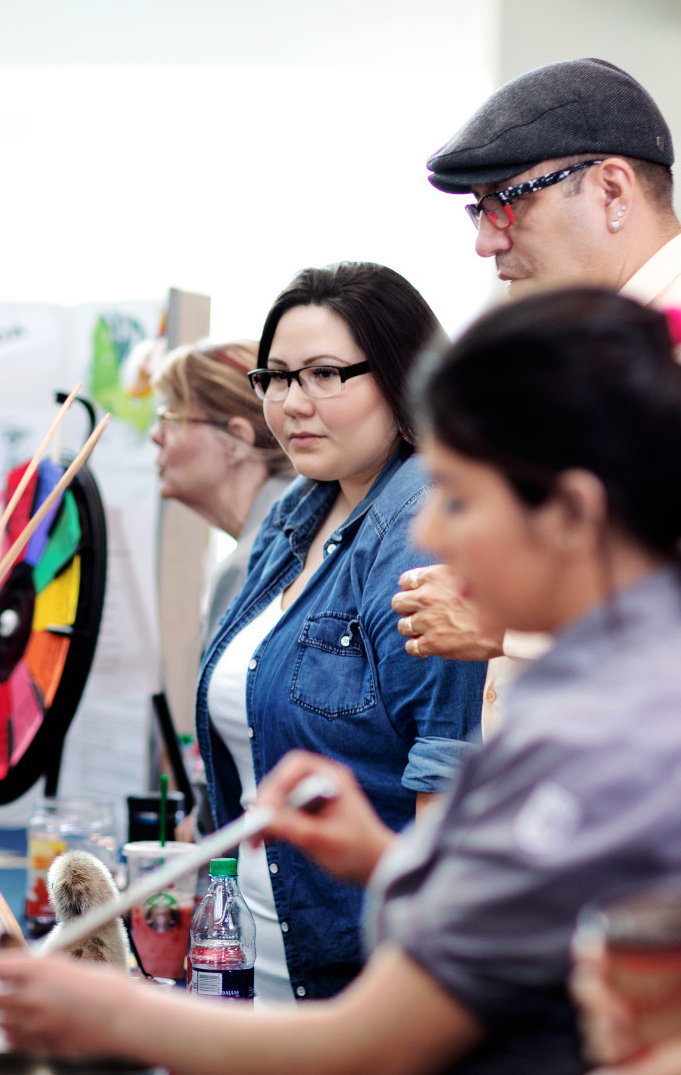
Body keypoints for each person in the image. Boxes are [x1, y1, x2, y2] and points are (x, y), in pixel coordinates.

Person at [0, 288, 681, 1075]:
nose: (430, 528)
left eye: (459, 499)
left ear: (572, 515)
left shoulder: (602, 736)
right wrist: (378, 855)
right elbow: (518, 908)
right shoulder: (595, 683)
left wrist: (114, 1012)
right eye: (276, 377)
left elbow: (377, 1039)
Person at [194, 263, 484, 1003]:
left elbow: (443, 772)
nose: (293, 403)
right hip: (249, 959)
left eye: (325, 374)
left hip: (358, 984)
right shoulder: (297, 509)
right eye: (276, 377)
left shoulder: (424, 530)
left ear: (403, 378)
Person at [396, 58, 681, 732]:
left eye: (506, 201)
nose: (485, 240)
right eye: (477, 209)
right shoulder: (587, 350)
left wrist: (511, 626)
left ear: (612, 189)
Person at [149, 339, 294, 651]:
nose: (155, 435)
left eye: (171, 417)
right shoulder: (290, 536)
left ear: (235, 441)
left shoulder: (253, 568)